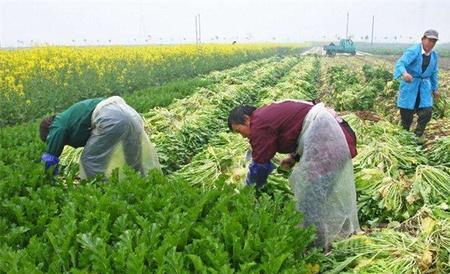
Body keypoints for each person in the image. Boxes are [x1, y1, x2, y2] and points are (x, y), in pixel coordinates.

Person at [228, 100, 360, 250]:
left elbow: (261, 164)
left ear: (246, 119)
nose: (243, 137)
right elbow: (300, 128)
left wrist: (249, 189)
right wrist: (294, 157)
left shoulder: (259, 123)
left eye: (239, 131)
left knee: (310, 198)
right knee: (320, 193)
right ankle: (338, 236)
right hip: (333, 135)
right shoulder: (265, 116)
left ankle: (315, 247)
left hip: (329, 140)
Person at [39, 96, 160, 179]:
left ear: (48, 132)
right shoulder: (68, 117)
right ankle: (144, 181)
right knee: (132, 156)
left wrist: (48, 178)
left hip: (110, 117)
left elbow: (50, 158)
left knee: (89, 161)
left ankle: (97, 191)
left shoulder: (57, 126)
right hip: (130, 113)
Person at [393, 29, 439, 144]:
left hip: (424, 88)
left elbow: (434, 73)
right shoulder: (413, 51)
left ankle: (417, 135)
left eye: (434, 41)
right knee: (407, 117)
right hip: (410, 86)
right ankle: (404, 139)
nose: (431, 43)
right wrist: (405, 74)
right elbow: (401, 63)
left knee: (427, 112)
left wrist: (435, 88)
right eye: (429, 40)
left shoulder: (434, 55)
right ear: (423, 39)